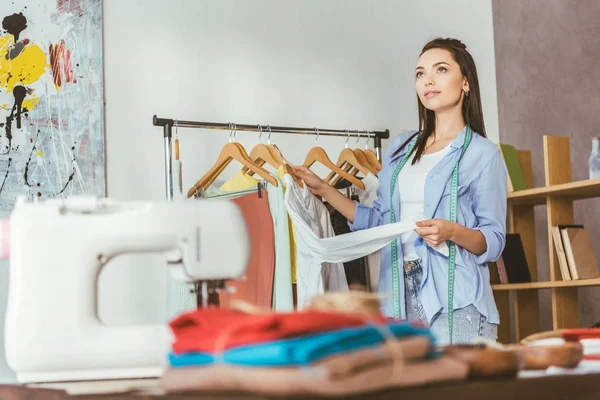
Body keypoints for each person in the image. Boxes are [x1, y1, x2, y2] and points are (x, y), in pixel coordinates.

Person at [293, 37, 507, 345]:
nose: (428, 81)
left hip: (456, 300)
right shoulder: (401, 148)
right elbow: (379, 224)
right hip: (396, 297)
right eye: (420, 74)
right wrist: (325, 190)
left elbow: (494, 241)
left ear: (466, 83)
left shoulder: (483, 154)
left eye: (441, 70)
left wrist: (452, 231)